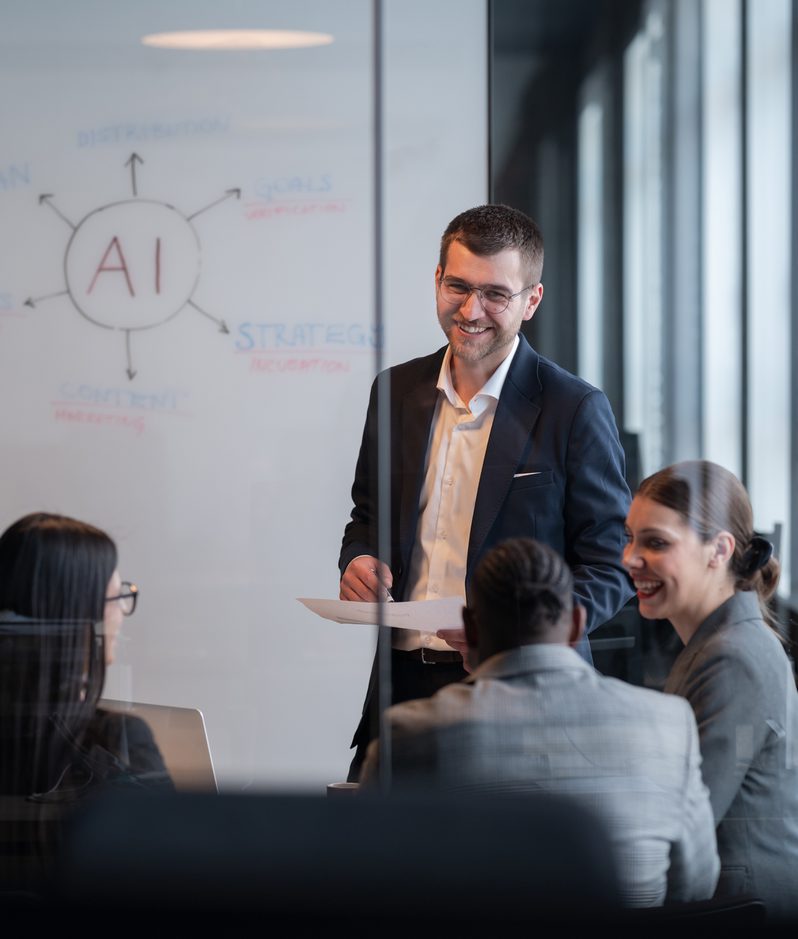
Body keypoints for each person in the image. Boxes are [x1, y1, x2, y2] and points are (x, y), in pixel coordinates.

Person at [339, 203, 632, 779]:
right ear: (438, 282)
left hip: (522, 691)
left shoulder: (574, 407)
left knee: (500, 869)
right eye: (458, 287)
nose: (471, 311)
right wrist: (359, 560)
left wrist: (528, 632)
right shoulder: (396, 390)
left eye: (496, 294)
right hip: (402, 685)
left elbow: (611, 564)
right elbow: (367, 513)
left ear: (532, 300)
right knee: (378, 866)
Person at [359, 537, 719, 908]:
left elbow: (370, 881)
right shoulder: (669, 724)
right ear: (578, 622)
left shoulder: (410, 735)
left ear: (470, 625)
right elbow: (694, 889)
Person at [623, 460, 798, 922]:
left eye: (655, 542)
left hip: (736, 908)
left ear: (718, 550)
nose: (630, 558)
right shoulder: (722, 642)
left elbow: (686, 821)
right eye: (630, 537)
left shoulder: (732, 657)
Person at [0, 512, 172, 896]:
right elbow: (170, 884)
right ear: (82, 615)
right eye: (117, 598)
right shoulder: (112, 743)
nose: (122, 617)